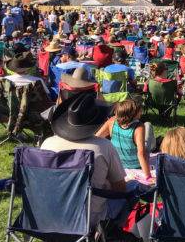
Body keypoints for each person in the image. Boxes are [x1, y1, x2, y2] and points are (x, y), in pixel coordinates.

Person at [42, 91, 127, 225]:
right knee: (131, 192)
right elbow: (120, 188)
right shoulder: (103, 147)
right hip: (87, 220)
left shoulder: (47, 144)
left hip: (47, 216)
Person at [96, 99, 155, 181]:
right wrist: (148, 176)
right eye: (139, 111)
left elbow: (97, 137)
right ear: (132, 115)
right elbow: (141, 154)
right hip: (136, 165)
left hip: (118, 164)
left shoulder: (112, 121)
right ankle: (154, 146)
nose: (141, 112)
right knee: (148, 125)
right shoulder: (139, 127)